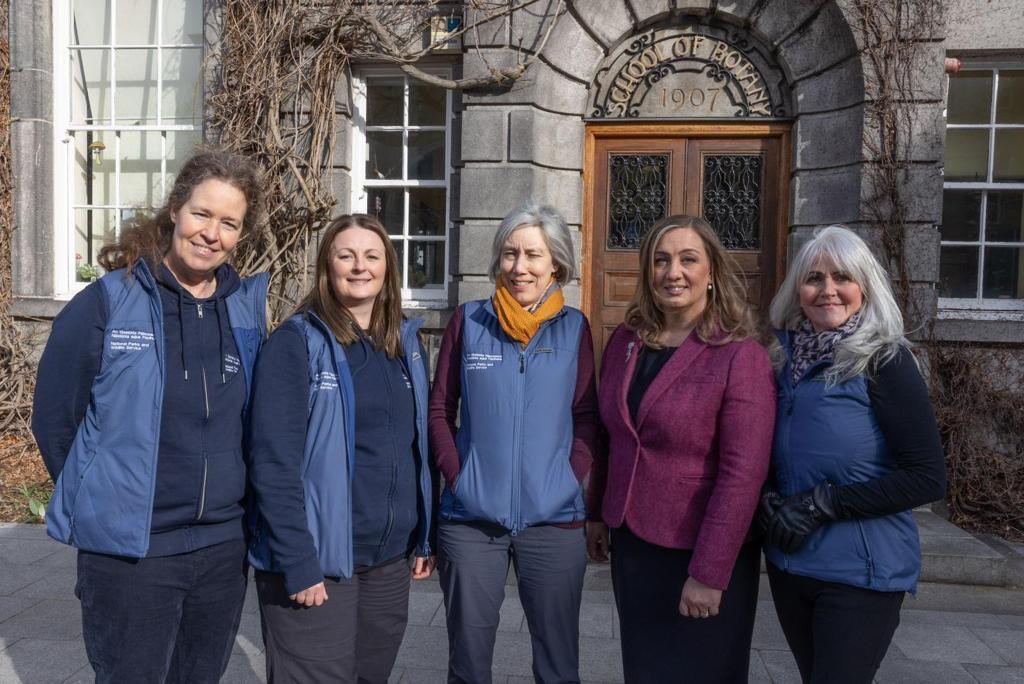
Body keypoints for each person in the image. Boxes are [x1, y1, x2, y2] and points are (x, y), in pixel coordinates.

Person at [32, 149, 268, 683]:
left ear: (240, 235)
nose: (211, 233)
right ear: (176, 210)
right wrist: (100, 496)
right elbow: (55, 417)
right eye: (202, 214)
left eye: (229, 223)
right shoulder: (107, 302)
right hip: (132, 554)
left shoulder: (246, 311)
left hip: (222, 552)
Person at [586, 214, 776, 683]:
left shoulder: (739, 355)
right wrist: (598, 514)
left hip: (698, 548)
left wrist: (709, 574)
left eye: (688, 259)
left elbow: (743, 474)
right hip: (634, 544)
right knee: (645, 670)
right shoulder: (627, 343)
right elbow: (613, 436)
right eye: (661, 260)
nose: (674, 272)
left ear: (711, 272)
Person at [246, 213, 435, 683]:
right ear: (326, 267)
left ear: (388, 267)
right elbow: (272, 462)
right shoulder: (296, 343)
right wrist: (297, 560)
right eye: (345, 255)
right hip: (319, 563)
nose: (359, 266)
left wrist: (423, 536)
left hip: (388, 563)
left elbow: (414, 449)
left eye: (371, 256)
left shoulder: (404, 347)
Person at [758, 225, 946, 684]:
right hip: (791, 563)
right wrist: (765, 493)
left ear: (864, 286)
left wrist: (826, 503)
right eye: (814, 278)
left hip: (861, 572)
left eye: (842, 277)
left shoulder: (885, 360)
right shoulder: (781, 361)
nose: (828, 291)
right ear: (796, 289)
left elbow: (927, 477)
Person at [429, 200, 600, 684]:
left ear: (555, 264)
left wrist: (568, 480)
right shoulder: (469, 321)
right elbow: (440, 410)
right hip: (471, 520)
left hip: (554, 519)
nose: (519, 267)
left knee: (558, 663)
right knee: (468, 660)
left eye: (532, 255)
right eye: (509, 254)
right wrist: (458, 477)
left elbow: (586, 416)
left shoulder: (575, 328)